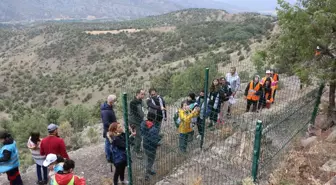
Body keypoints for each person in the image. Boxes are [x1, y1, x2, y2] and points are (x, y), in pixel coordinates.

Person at [141, 112, 160, 181]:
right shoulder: (154, 129)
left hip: (145, 145)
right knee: (150, 161)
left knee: (147, 159)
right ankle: (147, 175)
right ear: (154, 118)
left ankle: (149, 171)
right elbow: (154, 141)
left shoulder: (143, 124)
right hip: (151, 148)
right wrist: (158, 142)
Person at [128, 89, 145, 159]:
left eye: (144, 94)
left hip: (139, 122)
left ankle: (134, 146)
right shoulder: (133, 102)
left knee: (135, 136)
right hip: (135, 122)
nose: (143, 96)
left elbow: (141, 111)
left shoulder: (140, 101)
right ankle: (136, 151)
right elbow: (136, 114)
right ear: (137, 94)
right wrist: (141, 119)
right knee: (139, 137)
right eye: (142, 94)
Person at [101, 94, 117, 163]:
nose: (115, 102)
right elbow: (106, 123)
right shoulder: (105, 111)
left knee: (109, 143)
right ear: (111, 102)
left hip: (111, 128)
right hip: (109, 130)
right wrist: (114, 125)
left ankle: (110, 156)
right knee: (108, 143)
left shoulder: (109, 108)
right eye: (114, 101)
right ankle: (109, 157)